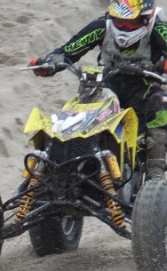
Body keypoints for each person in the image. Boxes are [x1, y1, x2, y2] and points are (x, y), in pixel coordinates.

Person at [30, 0, 167, 175]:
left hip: (143, 86)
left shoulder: (159, 29)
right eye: (119, 21)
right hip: (104, 83)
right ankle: (57, 164)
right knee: (77, 112)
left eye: (129, 22)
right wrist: (50, 62)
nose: (123, 27)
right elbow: (70, 50)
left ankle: (154, 173)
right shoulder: (102, 25)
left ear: (146, 18)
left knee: (161, 106)